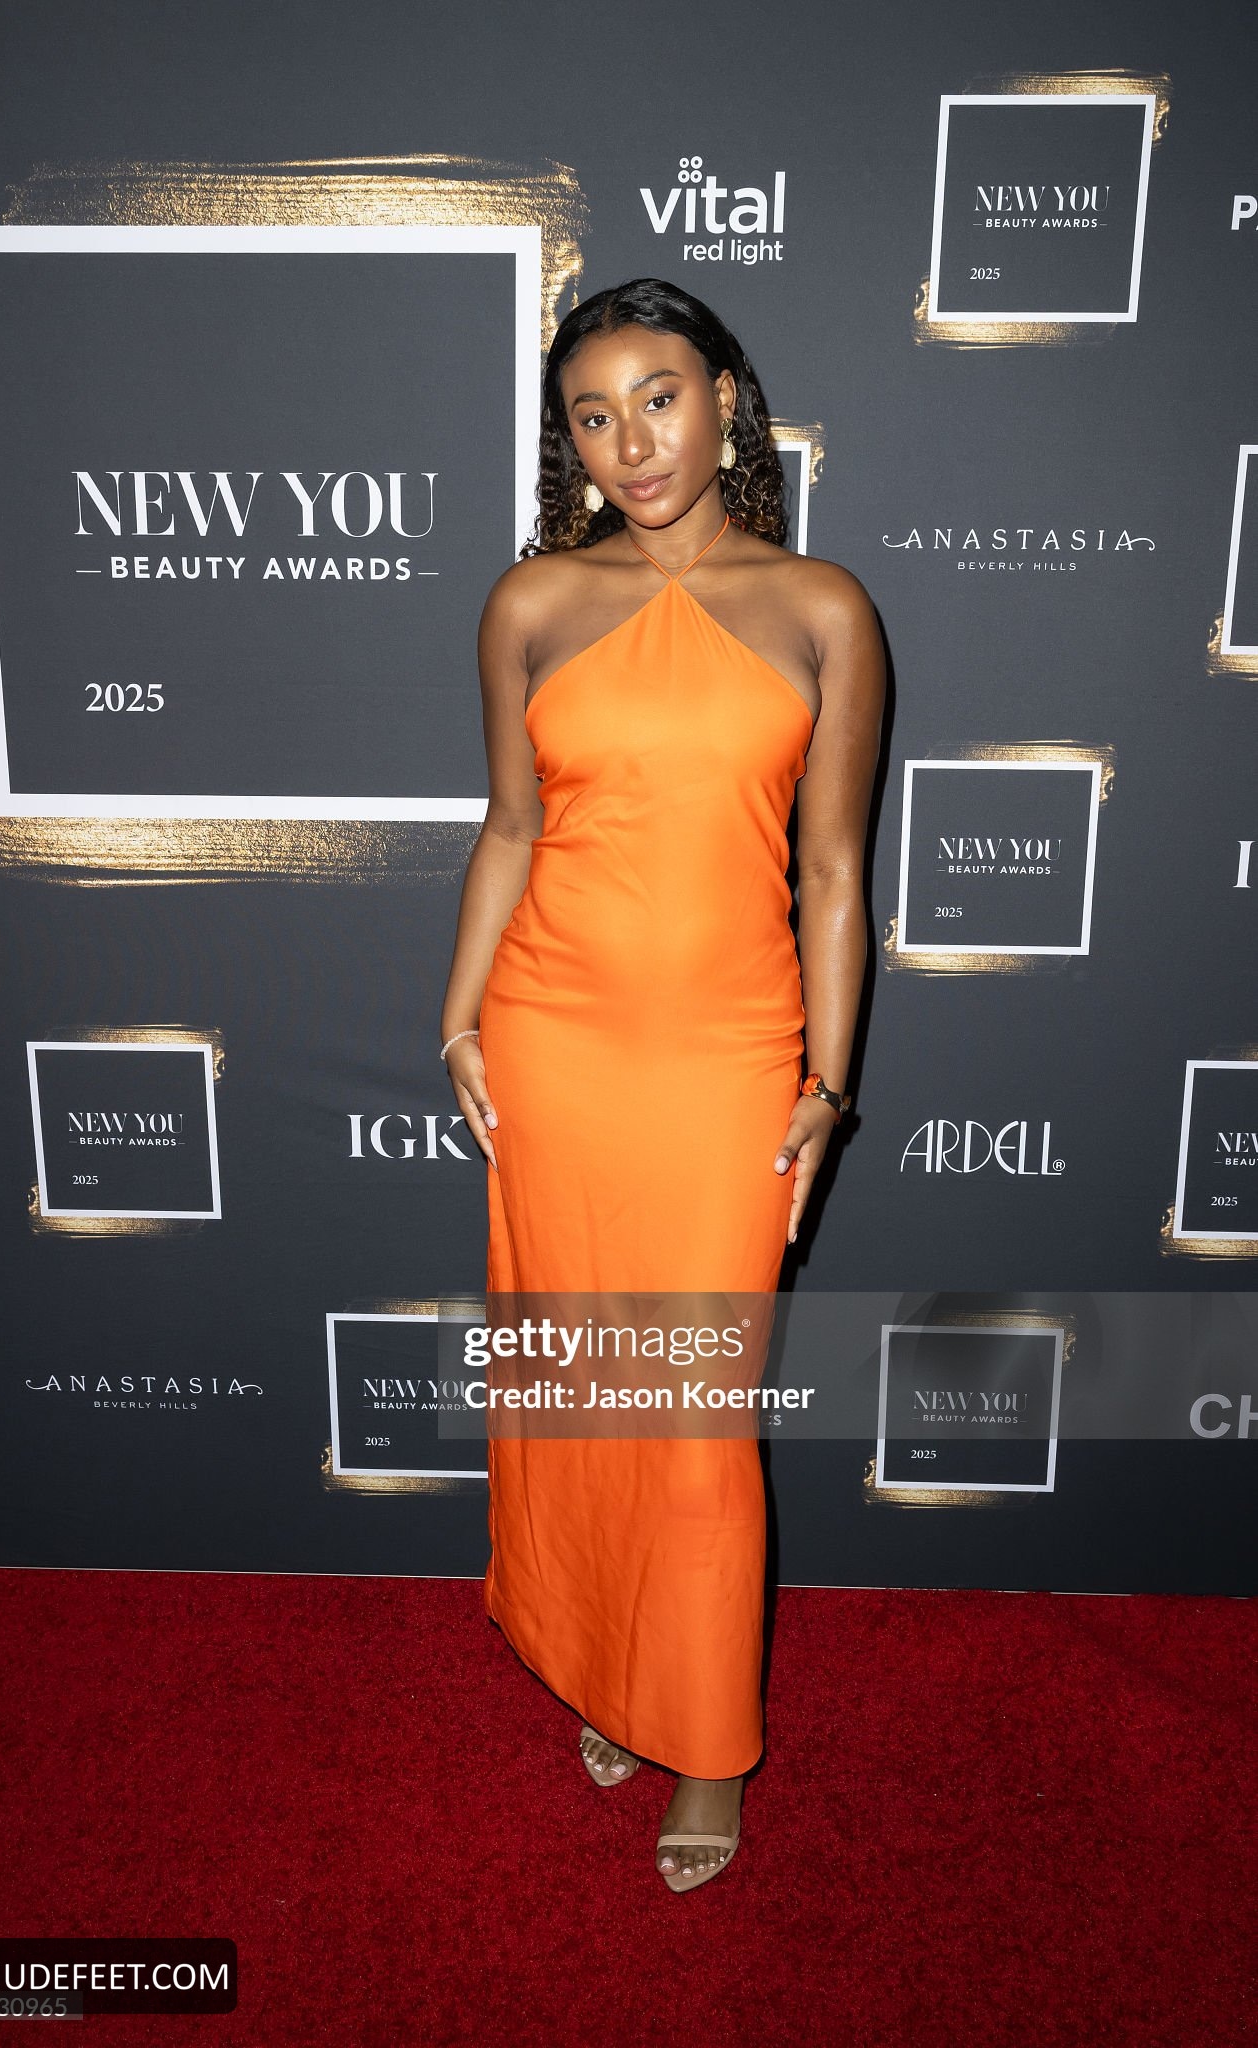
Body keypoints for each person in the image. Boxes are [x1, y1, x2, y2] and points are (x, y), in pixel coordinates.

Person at [438, 278, 884, 1892]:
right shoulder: (532, 603)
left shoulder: (820, 608)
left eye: (659, 397)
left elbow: (832, 874)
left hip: (725, 1060)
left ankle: (704, 1739)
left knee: (692, 1413)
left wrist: (826, 1082)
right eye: (592, 414)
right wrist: (457, 1020)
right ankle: (604, 1661)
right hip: (553, 1038)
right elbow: (510, 828)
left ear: (725, 401)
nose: (629, 441)